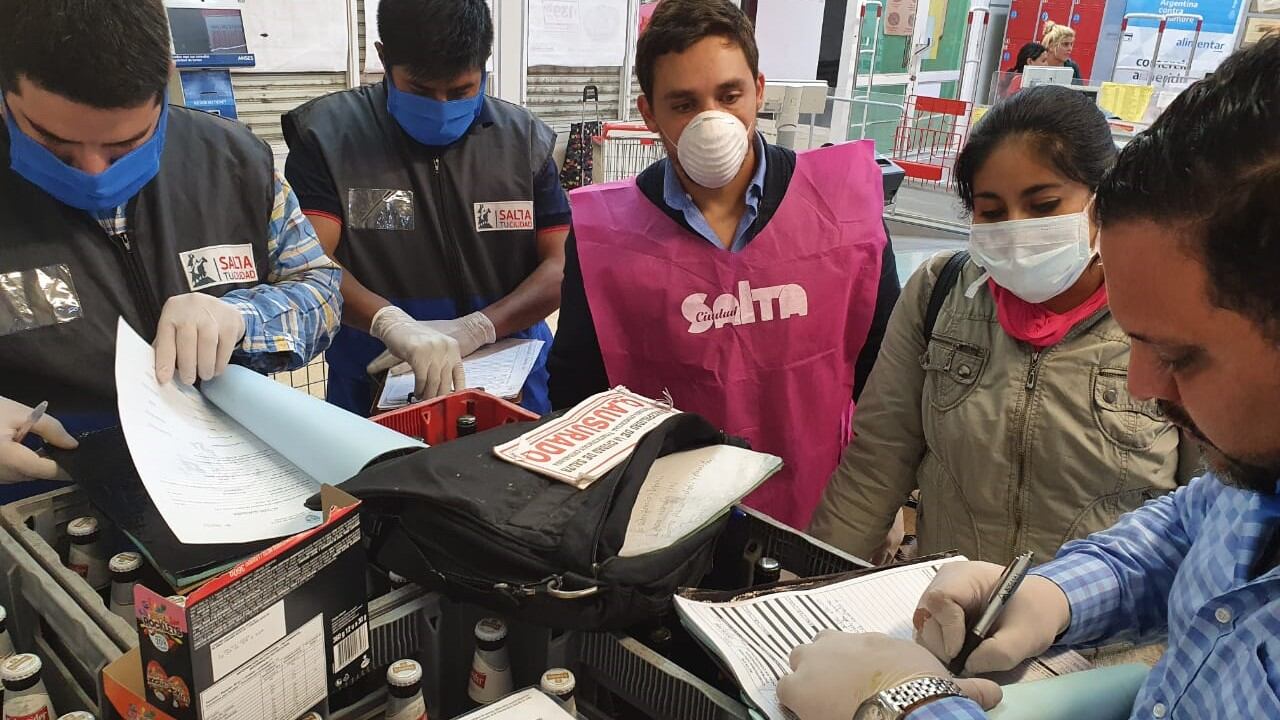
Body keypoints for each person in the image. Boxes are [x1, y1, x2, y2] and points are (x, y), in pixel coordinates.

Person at [779, 36, 1280, 720]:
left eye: (1182, 357)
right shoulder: (1254, 479)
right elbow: (1187, 526)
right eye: (990, 208)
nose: (1143, 384)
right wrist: (1054, 596)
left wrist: (901, 706)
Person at [547, 0, 900, 529]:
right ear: (649, 114)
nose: (711, 121)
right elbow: (578, 386)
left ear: (759, 89)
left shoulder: (842, 209)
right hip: (665, 526)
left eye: (729, 96)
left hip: (824, 512)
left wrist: (880, 498)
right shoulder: (606, 236)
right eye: (684, 104)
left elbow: (886, 371)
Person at [809, 85, 1194, 567]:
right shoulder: (940, 293)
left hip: (1108, 636)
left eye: (1044, 205)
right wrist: (810, 583)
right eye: (991, 211)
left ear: (1103, 199)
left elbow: (1213, 508)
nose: (1016, 229)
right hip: (949, 619)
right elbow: (877, 463)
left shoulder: (1168, 315)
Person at [0, 0, 342, 498]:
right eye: (55, 147)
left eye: (126, 146)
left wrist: (242, 317)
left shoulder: (236, 163)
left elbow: (320, 291)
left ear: (165, 78)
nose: (94, 173)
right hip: (44, 490)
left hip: (225, 472)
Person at [283, 0, 571, 415]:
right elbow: (310, 261)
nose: (441, 106)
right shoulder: (329, 140)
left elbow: (560, 266)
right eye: (420, 90)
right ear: (383, 58)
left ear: (484, 62)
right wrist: (391, 323)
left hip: (512, 389)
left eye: (461, 91)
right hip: (375, 387)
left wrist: (479, 328)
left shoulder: (524, 144)